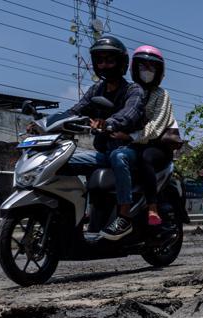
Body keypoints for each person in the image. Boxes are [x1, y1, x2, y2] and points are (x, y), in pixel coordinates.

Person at [59, 36, 146, 240]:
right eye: (100, 60)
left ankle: (124, 218)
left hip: (130, 150)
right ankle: (77, 213)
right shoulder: (96, 90)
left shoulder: (133, 90)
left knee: (119, 157)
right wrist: (46, 124)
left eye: (109, 60)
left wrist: (109, 123)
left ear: (121, 63)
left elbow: (129, 114)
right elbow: (76, 110)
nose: (104, 65)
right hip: (104, 152)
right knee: (63, 160)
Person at [129, 45, 181, 227]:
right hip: (132, 142)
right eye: (143, 66)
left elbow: (156, 128)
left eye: (151, 67)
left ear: (159, 71)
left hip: (157, 146)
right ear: (135, 68)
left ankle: (152, 207)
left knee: (146, 158)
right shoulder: (130, 91)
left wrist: (131, 137)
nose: (146, 71)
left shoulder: (162, 95)